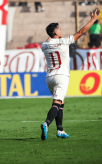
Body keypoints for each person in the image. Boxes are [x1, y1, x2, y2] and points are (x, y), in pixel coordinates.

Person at [40, 9, 99, 140]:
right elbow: (81, 32)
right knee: (56, 103)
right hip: (61, 76)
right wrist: (93, 19)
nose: (61, 30)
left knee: (60, 103)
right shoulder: (64, 42)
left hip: (49, 77)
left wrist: (50, 32)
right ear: (56, 32)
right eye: (59, 29)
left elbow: (49, 38)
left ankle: (60, 130)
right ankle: (46, 124)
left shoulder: (44, 45)